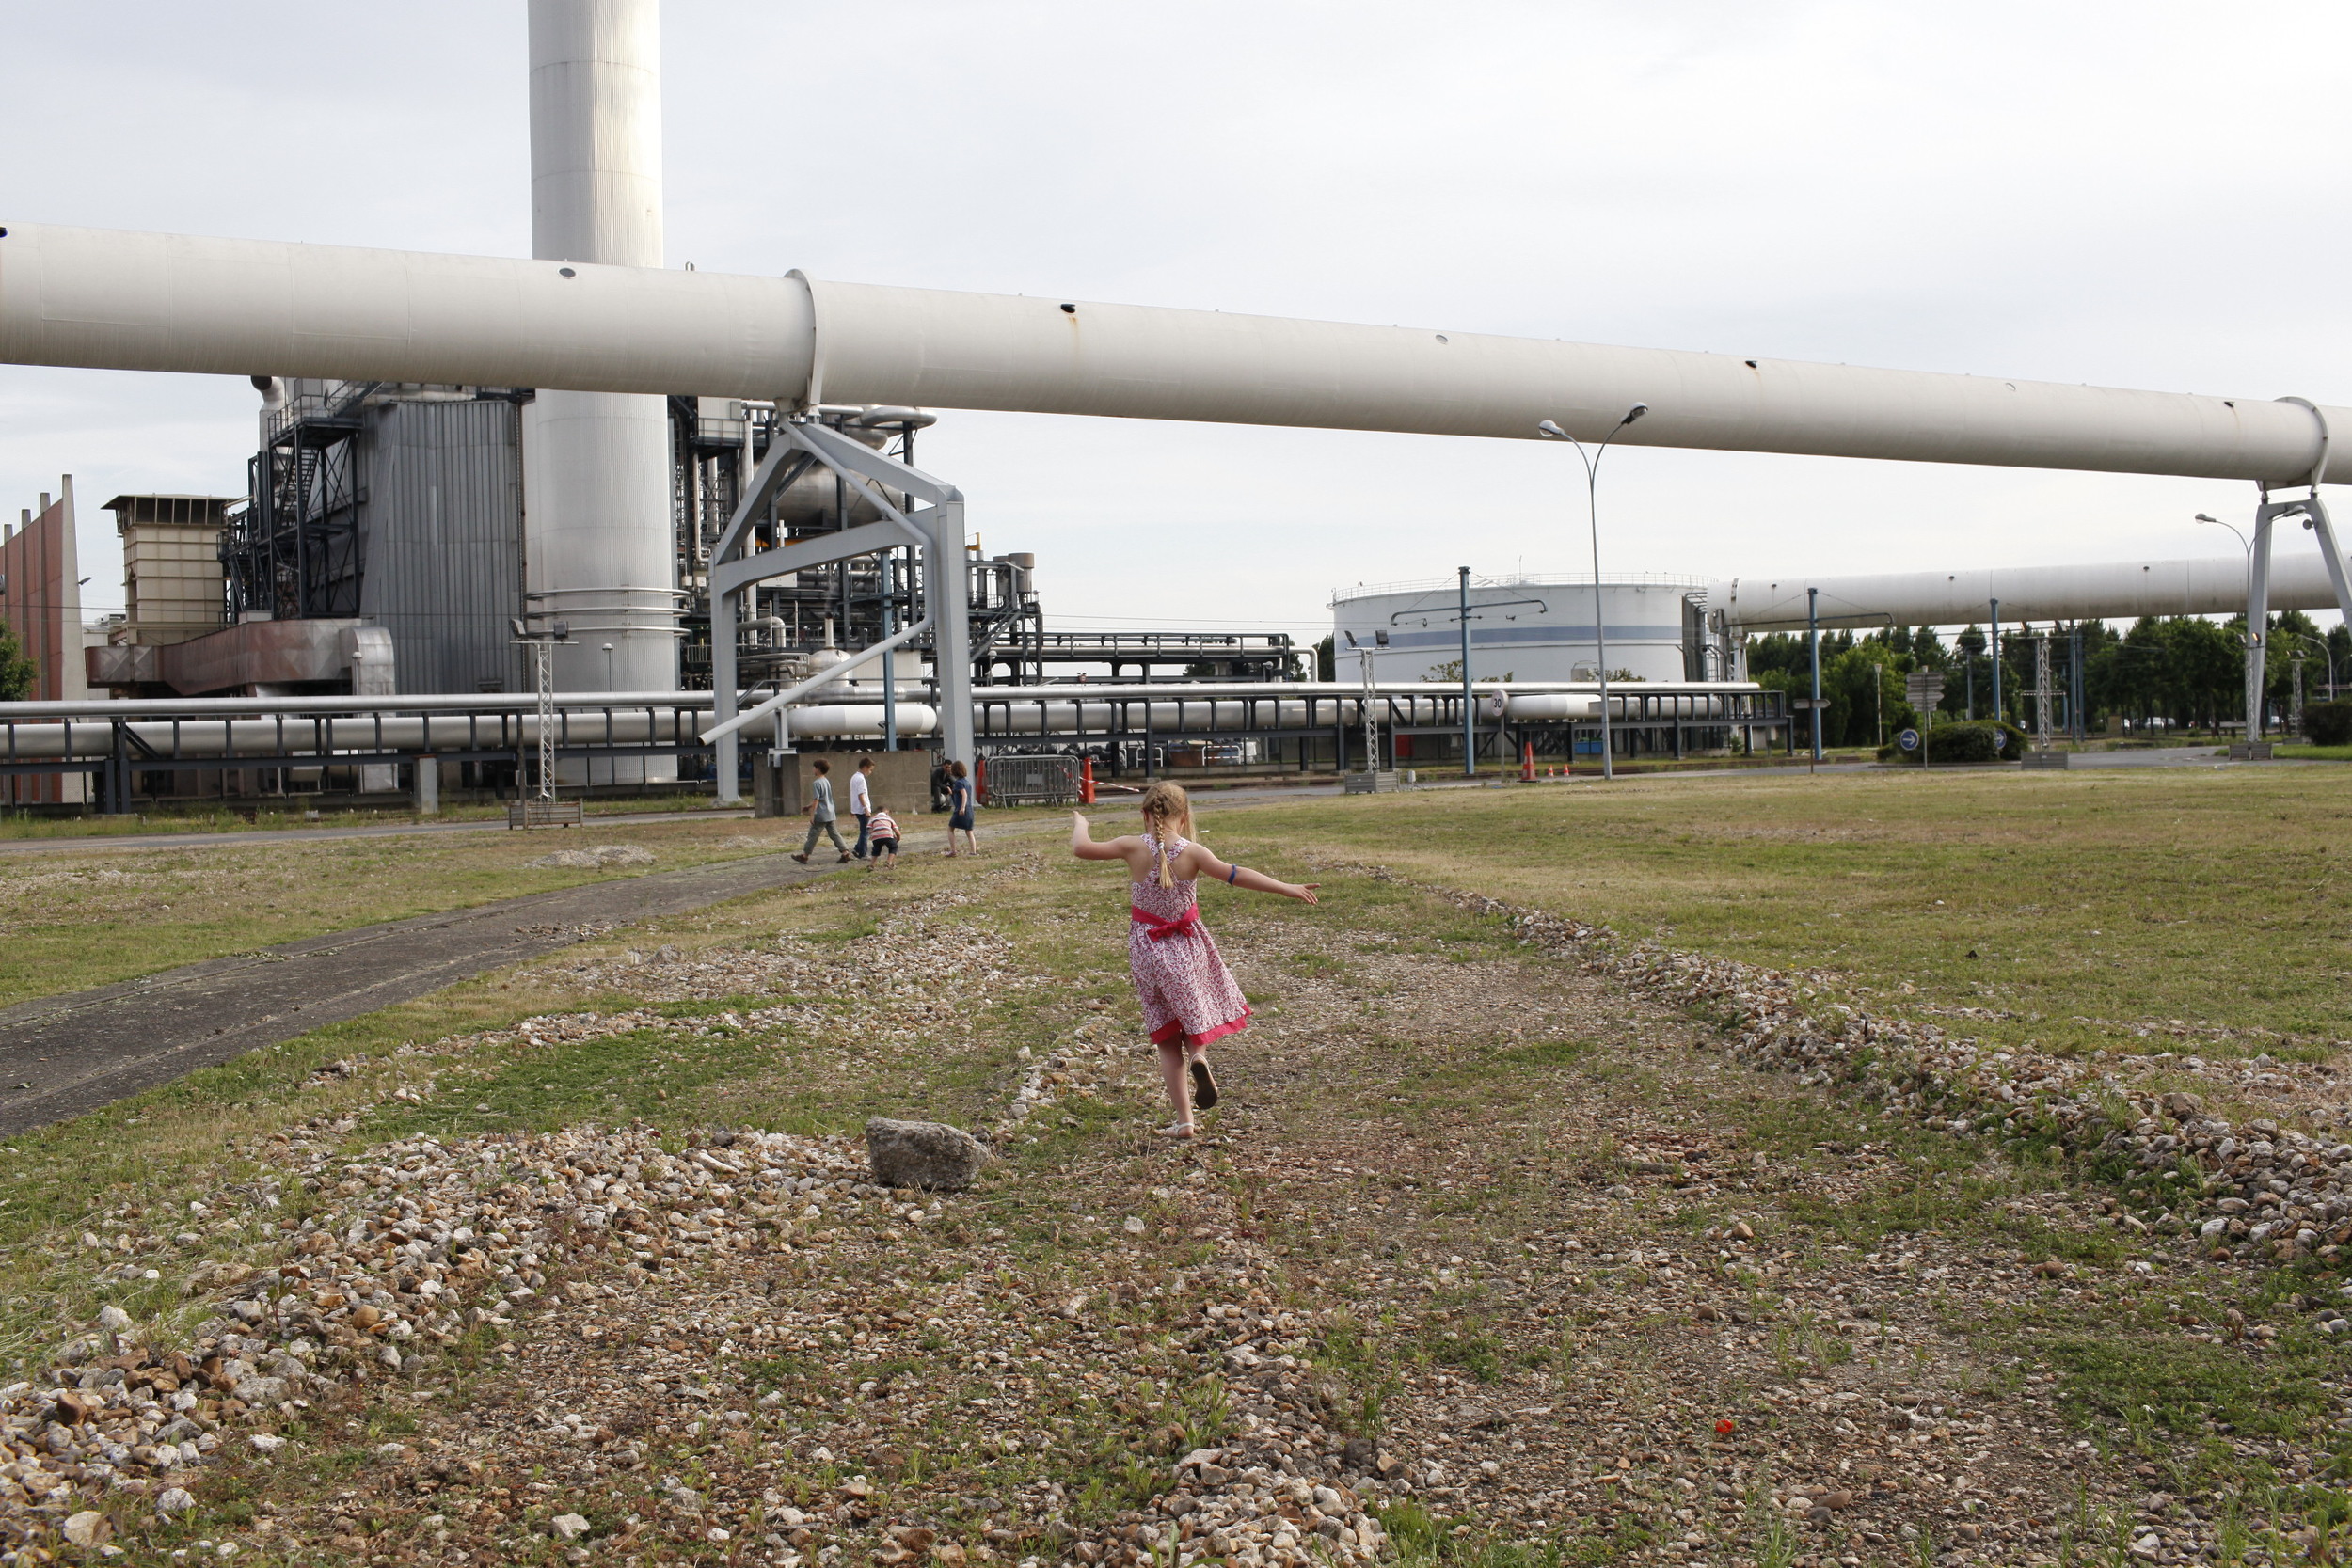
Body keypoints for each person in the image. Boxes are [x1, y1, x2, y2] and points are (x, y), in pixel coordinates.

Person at [1070, 781, 1318, 1138]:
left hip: (1147, 949)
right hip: (1188, 946)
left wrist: (1082, 822)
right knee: (1194, 1009)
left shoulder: (1130, 847)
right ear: (1184, 818)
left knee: (1167, 1035)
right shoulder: (1194, 852)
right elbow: (1238, 874)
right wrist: (1287, 887)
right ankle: (1199, 1057)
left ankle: (1185, 1121)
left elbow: (1081, 848)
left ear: (1144, 814)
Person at [790, 757, 850, 864]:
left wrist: (812, 814)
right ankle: (845, 852)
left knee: (813, 835)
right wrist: (809, 806)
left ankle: (805, 856)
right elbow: (824, 798)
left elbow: (817, 799)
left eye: (814, 767)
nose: (813, 770)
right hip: (830, 812)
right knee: (834, 834)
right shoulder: (826, 781)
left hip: (821, 814)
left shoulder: (817, 783)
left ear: (817, 769)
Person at [944, 759, 978, 857]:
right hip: (970, 810)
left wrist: (962, 808)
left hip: (961, 809)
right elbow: (960, 795)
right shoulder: (967, 782)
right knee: (969, 831)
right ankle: (973, 852)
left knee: (950, 828)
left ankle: (953, 850)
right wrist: (952, 793)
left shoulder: (958, 783)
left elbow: (964, 795)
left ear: (955, 771)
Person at [848, 756, 875, 859]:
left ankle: (857, 848)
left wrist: (852, 809)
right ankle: (862, 853)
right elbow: (861, 794)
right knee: (865, 831)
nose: (870, 772)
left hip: (857, 808)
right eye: (870, 770)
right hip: (862, 809)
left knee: (863, 830)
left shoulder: (854, 777)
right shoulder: (861, 779)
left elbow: (853, 794)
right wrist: (866, 808)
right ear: (865, 768)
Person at [865, 804, 901, 871]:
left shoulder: (873, 819)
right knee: (893, 847)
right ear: (886, 812)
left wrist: (873, 836)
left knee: (876, 850)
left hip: (876, 837)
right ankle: (889, 863)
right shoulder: (889, 818)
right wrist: (897, 839)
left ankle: (872, 865)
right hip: (888, 836)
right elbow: (898, 833)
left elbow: (870, 830)